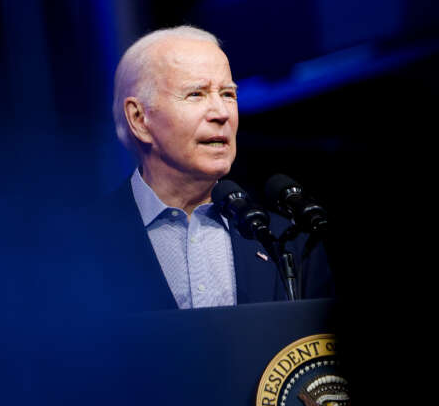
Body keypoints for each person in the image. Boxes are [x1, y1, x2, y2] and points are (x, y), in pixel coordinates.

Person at [99, 25, 332, 310]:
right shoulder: (79, 245)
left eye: (227, 94)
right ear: (139, 118)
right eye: (196, 94)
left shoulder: (288, 243)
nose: (221, 113)